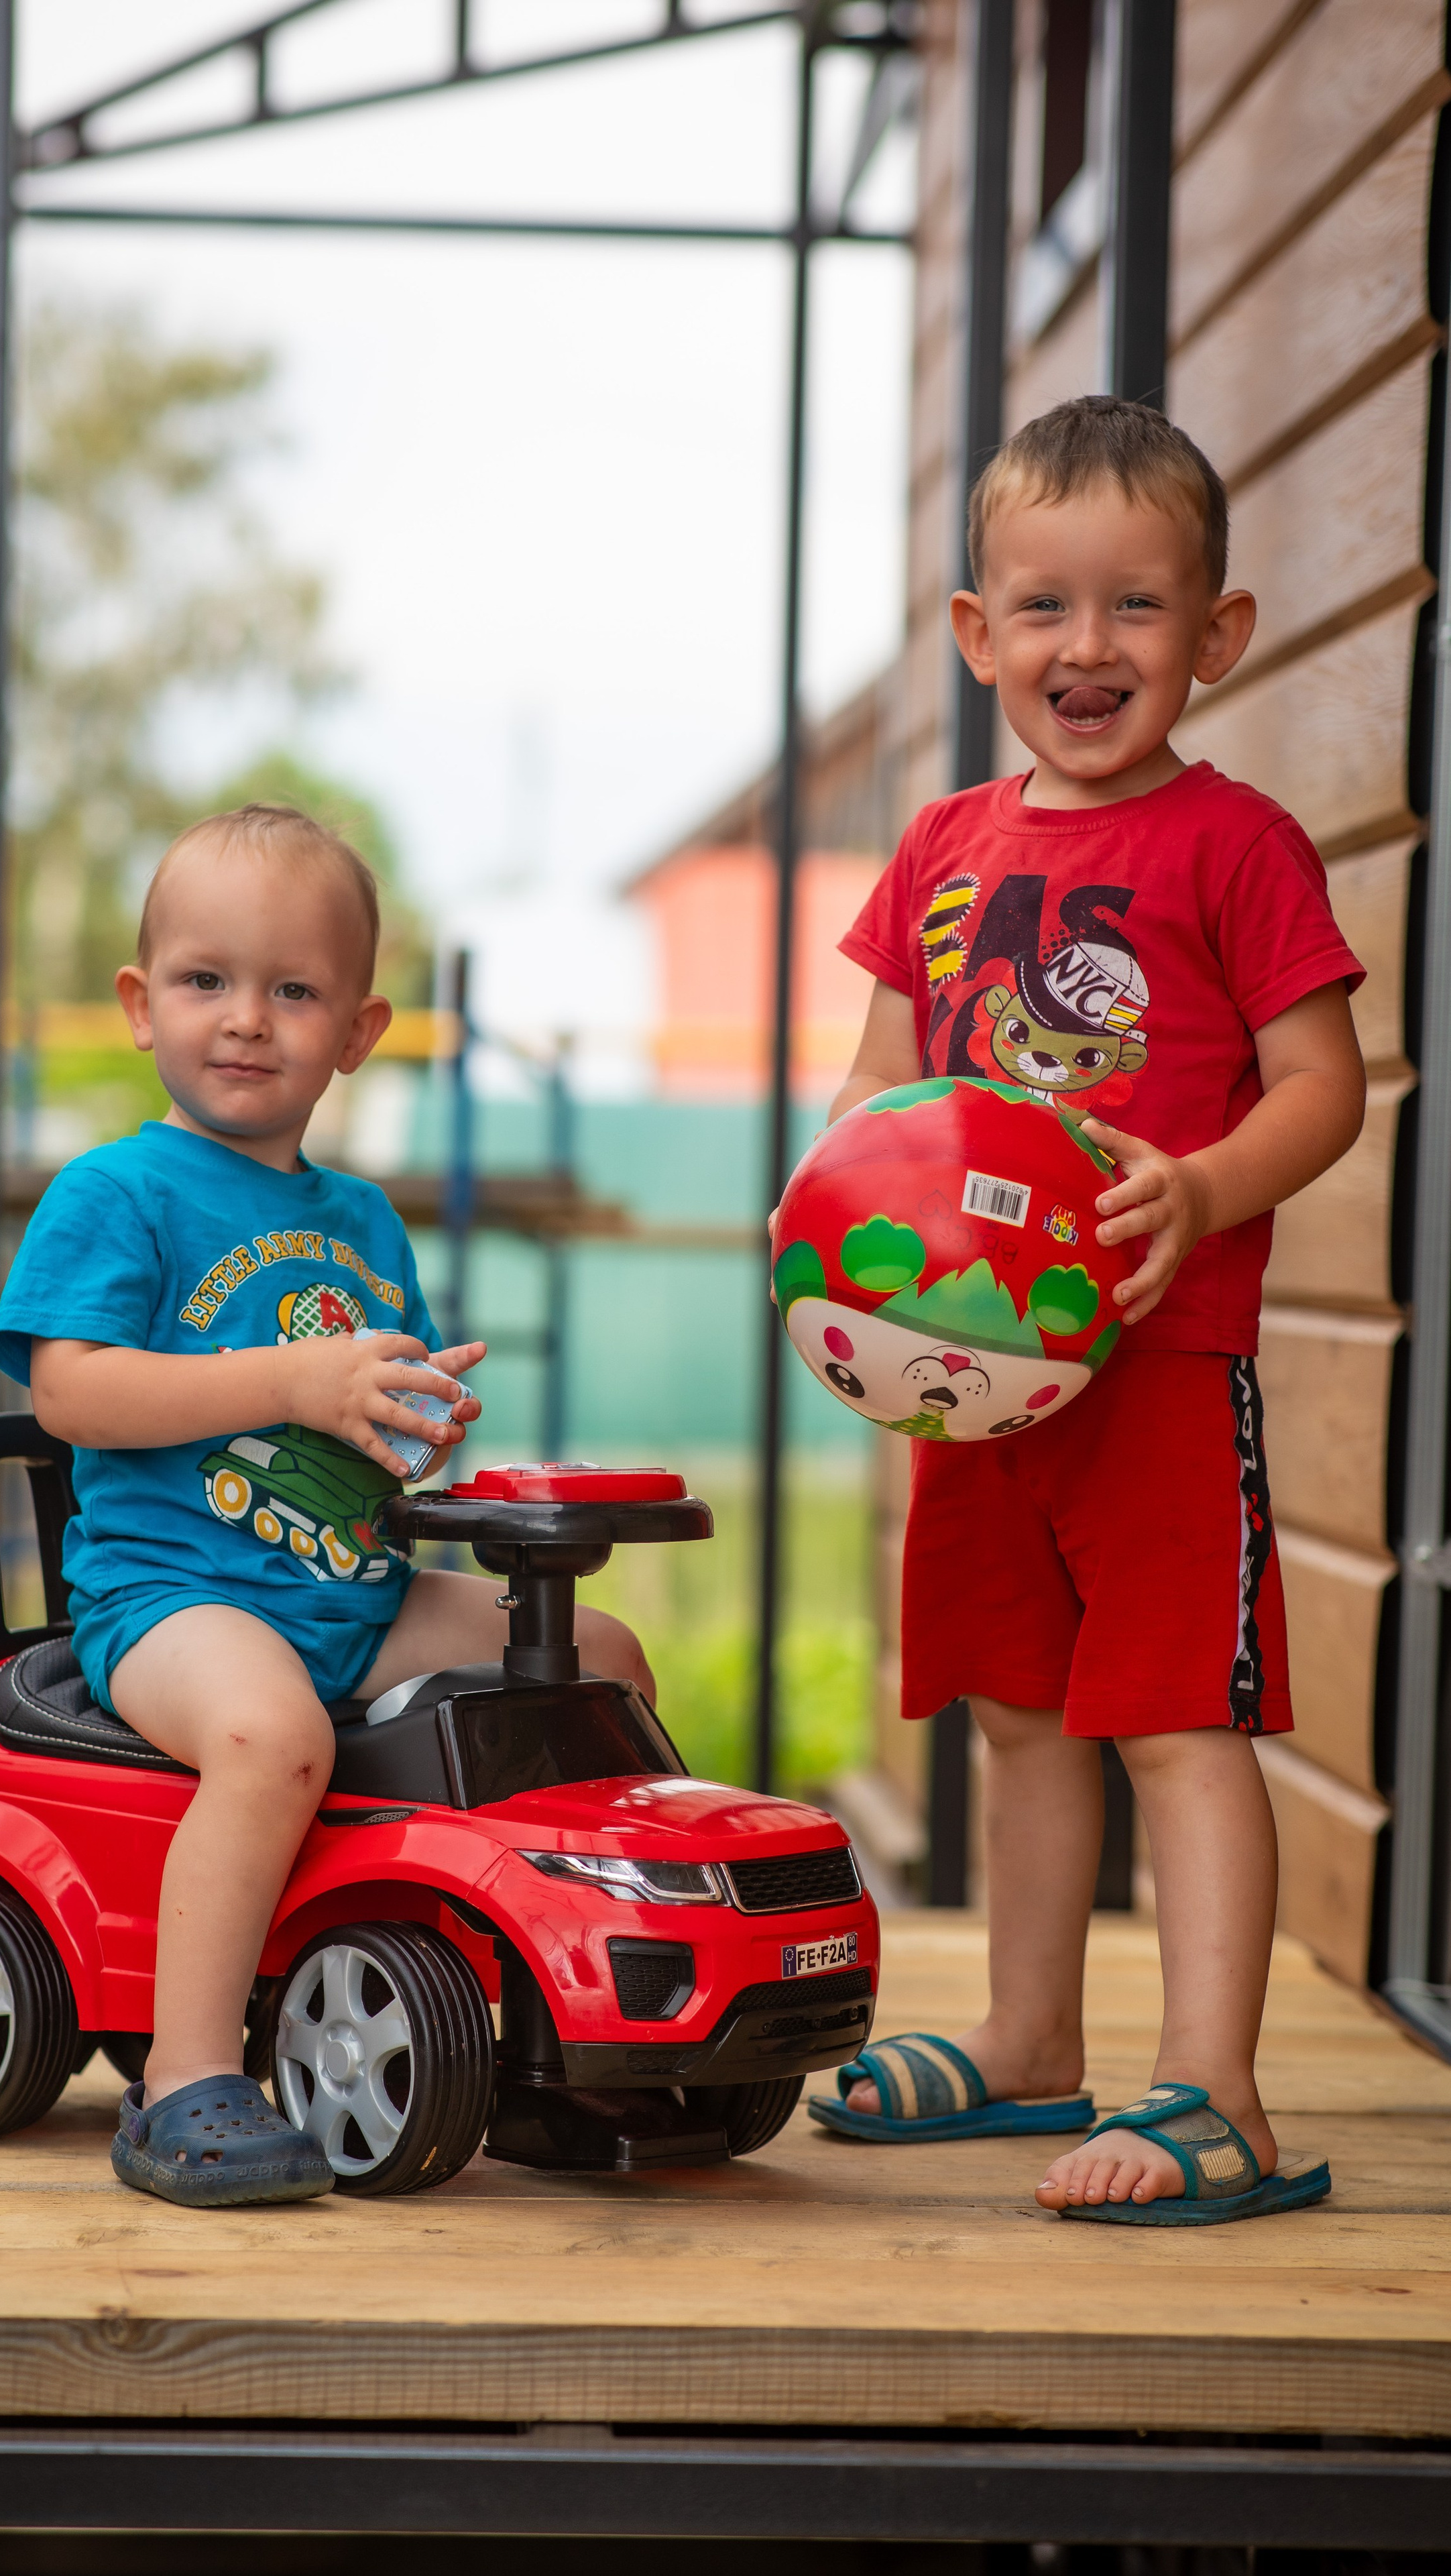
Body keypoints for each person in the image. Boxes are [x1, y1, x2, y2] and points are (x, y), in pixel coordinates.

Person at [807, 396, 1365, 2224]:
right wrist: (836, 1247)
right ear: (979, 637)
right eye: (1043, 607)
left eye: (1138, 607)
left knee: (1175, 1720)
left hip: (1156, 1378)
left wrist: (1201, 1190)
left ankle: (1214, 2091)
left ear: (1217, 637)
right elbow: (880, 1097)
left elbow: (1325, 1087)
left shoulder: (1237, 848)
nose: (1088, 646)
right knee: (1020, 1714)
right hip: (980, 1390)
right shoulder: (946, 849)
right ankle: (1029, 2035)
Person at [0, 802, 652, 2206]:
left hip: (350, 1589)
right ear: (139, 1002)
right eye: (205, 980)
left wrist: (409, 1419)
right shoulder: (117, 1191)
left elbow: (365, 1423)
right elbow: (72, 1396)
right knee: (271, 1731)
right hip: (178, 1599)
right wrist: (295, 1379)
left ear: (356, 1030)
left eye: (292, 990)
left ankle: (585, 2019)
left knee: (599, 1665)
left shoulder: (361, 1220)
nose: (245, 1018)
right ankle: (182, 2081)